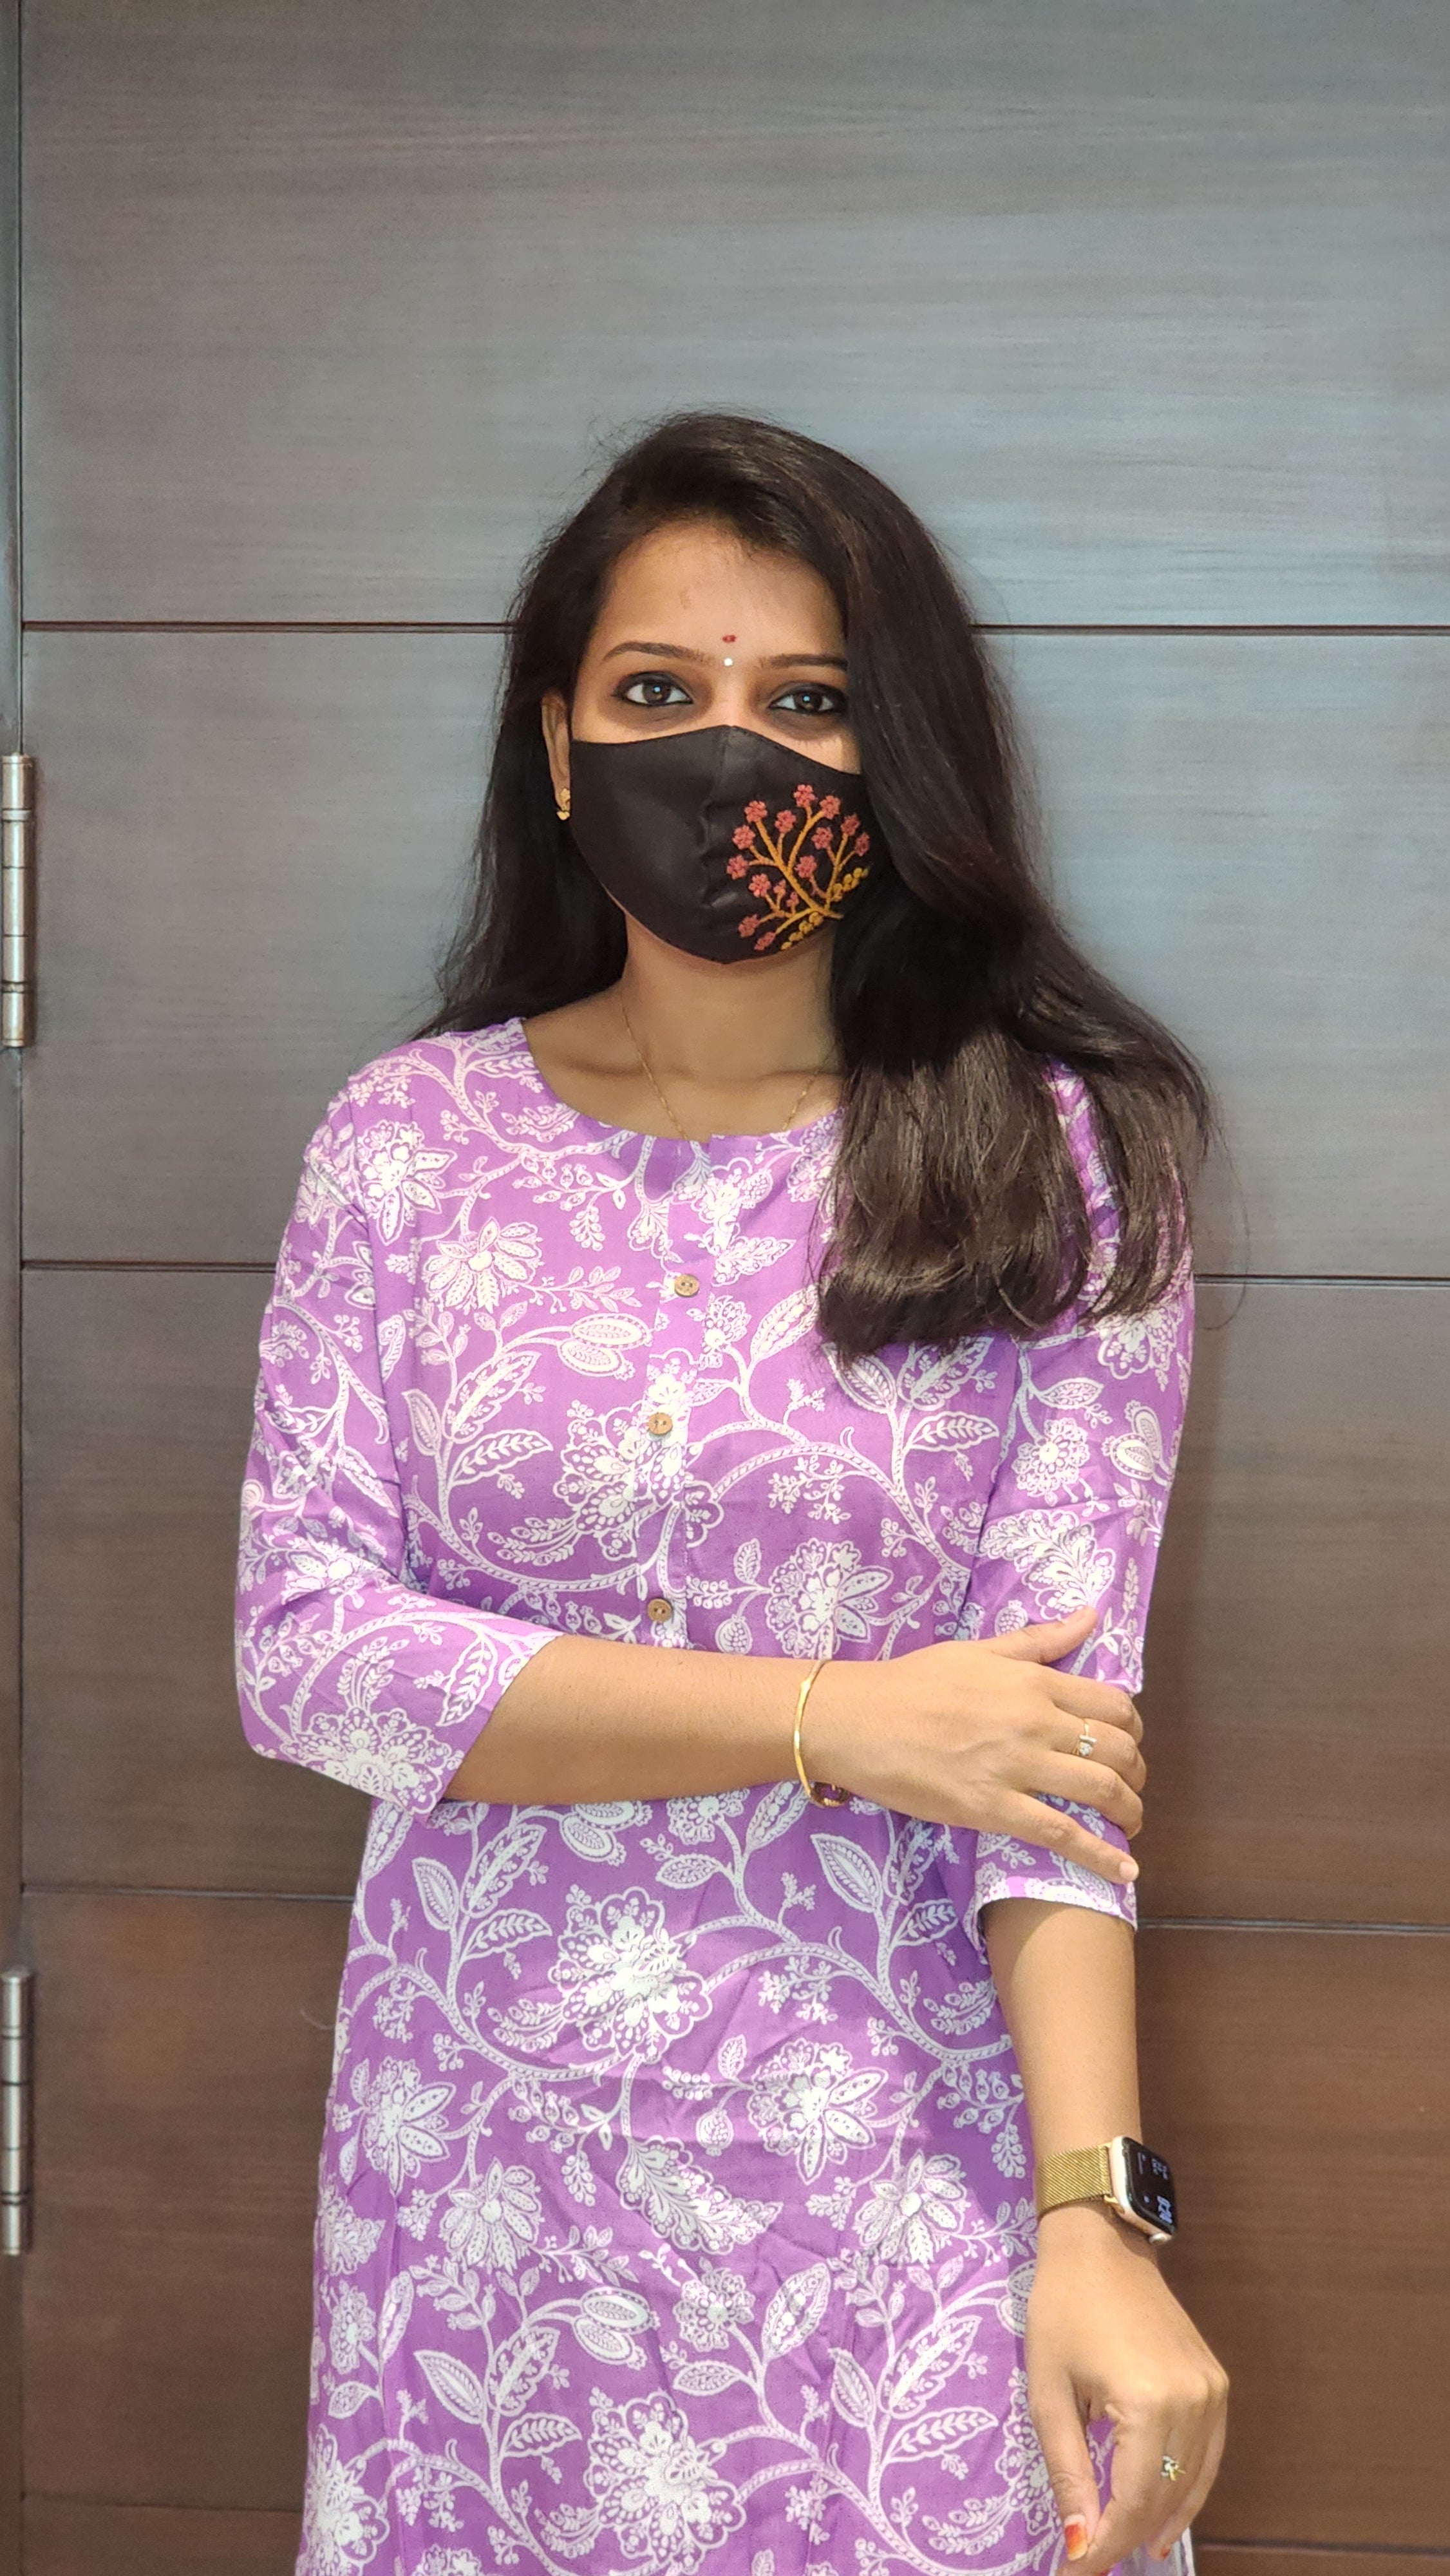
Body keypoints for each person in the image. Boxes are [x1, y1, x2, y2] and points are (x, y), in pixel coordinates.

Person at [237, 411, 1228, 2576]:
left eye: (807, 700)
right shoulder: (404, 1145)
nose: (730, 755)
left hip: (896, 2157)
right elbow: (309, 1660)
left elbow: (1057, 1761)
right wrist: (830, 1718)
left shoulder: (1056, 1151)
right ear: (559, 741)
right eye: (658, 692)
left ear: (899, 749)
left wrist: (1097, 2217)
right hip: (477, 2184)